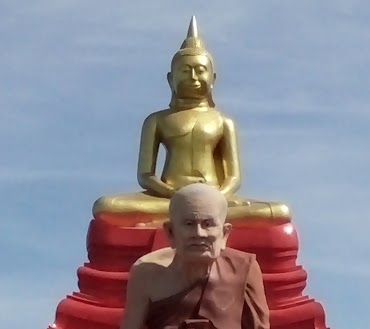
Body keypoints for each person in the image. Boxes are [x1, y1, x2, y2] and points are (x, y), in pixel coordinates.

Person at [76, 184, 318, 329]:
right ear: (170, 232)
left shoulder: (245, 268)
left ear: (225, 233)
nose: (199, 234)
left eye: (208, 224)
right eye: (189, 224)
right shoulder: (146, 271)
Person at [92, 17, 290, 227]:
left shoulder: (223, 121)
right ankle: (184, 216)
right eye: (185, 71)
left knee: (279, 212)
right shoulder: (157, 120)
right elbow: (146, 175)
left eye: (200, 70)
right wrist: (175, 194)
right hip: (167, 197)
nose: (193, 77)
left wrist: (217, 198)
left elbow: (234, 177)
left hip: (217, 195)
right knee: (106, 206)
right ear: (170, 79)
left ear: (213, 78)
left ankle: (175, 220)